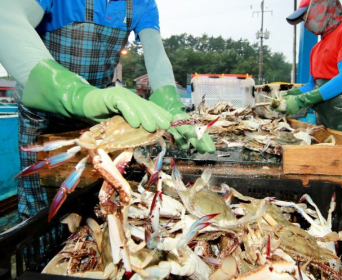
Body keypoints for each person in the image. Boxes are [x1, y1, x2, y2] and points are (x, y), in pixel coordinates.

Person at [0, 0, 215, 220]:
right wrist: (75, 93)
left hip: (98, 117)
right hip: (43, 115)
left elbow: (156, 56)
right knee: (40, 203)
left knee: (95, 202)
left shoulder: (143, 4)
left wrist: (170, 102)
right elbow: (5, 15)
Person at [283, 0, 342, 139]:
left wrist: (301, 100)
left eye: (306, 16)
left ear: (322, 7)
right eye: (303, 19)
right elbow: (311, 85)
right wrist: (289, 96)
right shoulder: (316, 49)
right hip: (323, 123)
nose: (305, 23)